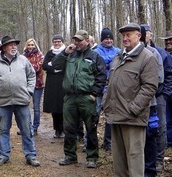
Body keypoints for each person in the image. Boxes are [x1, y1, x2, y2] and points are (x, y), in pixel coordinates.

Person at [103, 23, 159, 176]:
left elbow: (149, 87)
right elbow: (110, 83)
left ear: (139, 36)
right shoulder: (118, 57)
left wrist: (133, 109)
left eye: (129, 35)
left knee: (134, 161)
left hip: (133, 118)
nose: (125, 38)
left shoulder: (147, 58)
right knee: (119, 161)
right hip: (115, 116)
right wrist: (105, 104)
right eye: (123, 35)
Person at [52, 30, 106, 168]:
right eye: (75, 40)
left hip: (86, 98)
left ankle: (92, 157)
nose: (77, 43)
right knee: (69, 128)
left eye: (80, 40)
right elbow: (55, 65)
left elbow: (101, 77)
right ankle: (70, 156)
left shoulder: (95, 56)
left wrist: (94, 94)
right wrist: (65, 53)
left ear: (87, 41)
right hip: (70, 97)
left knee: (91, 128)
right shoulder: (70, 54)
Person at [0, 35, 40, 167]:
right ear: (4, 48)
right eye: (11, 45)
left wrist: (29, 90)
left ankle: (31, 155)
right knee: (3, 130)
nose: (14, 47)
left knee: (26, 129)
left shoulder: (23, 60)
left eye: (15, 44)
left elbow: (32, 75)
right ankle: (4, 155)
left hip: (22, 101)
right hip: (3, 103)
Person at [141, 24, 172, 173]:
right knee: (143, 128)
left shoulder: (161, 54)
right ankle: (143, 158)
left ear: (151, 35)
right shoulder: (134, 52)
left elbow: (170, 76)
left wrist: (164, 94)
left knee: (160, 128)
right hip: (141, 97)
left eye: (147, 33)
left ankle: (159, 159)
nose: (145, 36)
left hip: (159, 96)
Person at [94, 27, 121, 151]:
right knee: (94, 115)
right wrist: (110, 62)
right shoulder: (96, 51)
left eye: (110, 38)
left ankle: (108, 142)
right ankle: (90, 141)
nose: (108, 40)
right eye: (106, 38)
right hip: (99, 87)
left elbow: (119, 64)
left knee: (111, 116)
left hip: (113, 88)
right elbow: (100, 64)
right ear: (102, 40)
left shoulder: (119, 51)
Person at [43, 34, 67, 139]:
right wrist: (54, 69)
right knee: (54, 107)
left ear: (62, 42)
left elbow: (66, 65)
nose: (57, 43)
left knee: (62, 106)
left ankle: (62, 129)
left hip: (62, 81)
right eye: (55, 41)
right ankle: (56, 129)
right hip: (51, 82)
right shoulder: (49, 53)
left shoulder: (66, 52)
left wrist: (53, 65)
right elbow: (44, 65)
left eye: (59, 41)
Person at [23, 38, 45, 134]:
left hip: (38, 85)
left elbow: (37, 68)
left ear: (35, 45)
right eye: (29, 45)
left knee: (36, 107)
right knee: (24, 106)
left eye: (32, 45)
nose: (30, 46)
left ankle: (35, 127)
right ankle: (26, 126)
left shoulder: (40, 55)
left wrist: (27, 69)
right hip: (25, 84)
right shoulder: (23, 56)